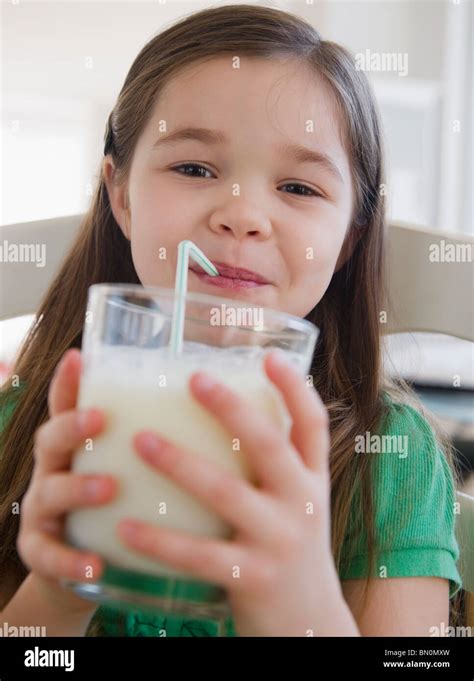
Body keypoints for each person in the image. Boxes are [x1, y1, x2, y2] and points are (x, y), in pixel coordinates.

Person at [0, 4, 462, 637]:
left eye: (299, 188)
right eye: (193, 169)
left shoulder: (388, 458)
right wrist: (55, 595)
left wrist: (300, 607)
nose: (243, 215)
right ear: (121, 195)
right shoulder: (23, 424)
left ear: (349, 238)